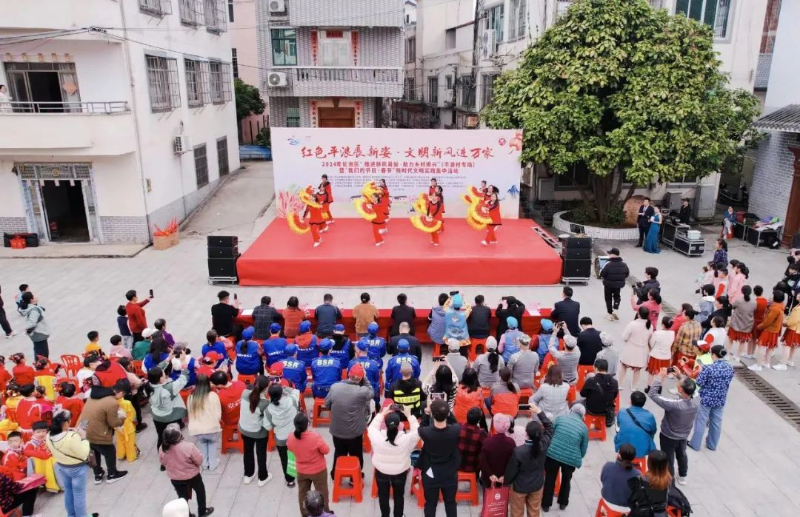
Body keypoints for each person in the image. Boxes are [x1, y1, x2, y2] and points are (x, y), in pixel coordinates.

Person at [648, 368, 699, 484]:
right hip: (684, 435)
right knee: (682, 454)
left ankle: (670, 480)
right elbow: (693, 389)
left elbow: (653, 394)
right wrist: (680, 376)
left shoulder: (674, 404)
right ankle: (682, 475)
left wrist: (660, 378)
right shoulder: (696, 400)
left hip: (668, 436)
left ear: (680, 389)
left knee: (669, 458)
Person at [368, 404, 419, 517]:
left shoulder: (377, 437)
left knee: (383, 496)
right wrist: (409, 415)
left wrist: (382, 413)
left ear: (385, 425)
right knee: (399, 496)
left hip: (381, 472)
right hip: (400, 472)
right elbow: (417, 432)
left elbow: (371, 428)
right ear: (399, 424)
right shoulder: (406, 439)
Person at [502, 406, 553, 517]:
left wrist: (506, 482)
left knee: (517, 513)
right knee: (534, 512)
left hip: (520, 487)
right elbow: (550, 427)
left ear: (526, 433)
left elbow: (511, 471)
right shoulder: (543, 445)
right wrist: (539, 412)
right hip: (537, 485)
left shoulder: (518, 451)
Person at [326, 363, 373, 477]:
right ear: (361, 378)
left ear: (348, 374)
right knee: (356, 455)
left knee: (339, 452)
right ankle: (355, 477)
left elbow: (327, 404)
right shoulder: (362, 391)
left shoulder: (335, 387)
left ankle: (335, 474)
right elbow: (371, 391)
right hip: (354, 433)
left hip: (337, 430)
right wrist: (365, 378)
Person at [159, 424, 214, 517]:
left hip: (175, 478)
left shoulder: (162, 448)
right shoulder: (188, 447)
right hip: (192, 476)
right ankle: (202, 512)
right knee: (200, 491)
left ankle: (186, 514)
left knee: (182, 497)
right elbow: (199, 460)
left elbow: (163, 462)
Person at [418, 399, 461, 517]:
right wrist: (447, 411)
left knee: (430, 504)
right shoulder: (456, 430)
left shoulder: (426, 432)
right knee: (451, 503)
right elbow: (454, 422)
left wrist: (427, 413)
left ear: (432, 414)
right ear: (447, 414)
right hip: (450, 472)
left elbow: (422, 426)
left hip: (431, 473)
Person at [80, 376, 127, 484]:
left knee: (92, 453)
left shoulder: (92, 397)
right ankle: (112, 474)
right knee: (109, 452)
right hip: (99, 432)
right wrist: (122, 419)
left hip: (85, 429)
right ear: (120, 393)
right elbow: (113, 423)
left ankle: (97, 474)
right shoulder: (112, 402)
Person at [542, 404, 588, 512]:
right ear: (582, 415)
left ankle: (546, 505)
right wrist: (577, 457)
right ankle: (563, 503)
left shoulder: (560, 418)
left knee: (550, 478)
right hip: (570, 459)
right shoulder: (584, 428)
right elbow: (583, 448)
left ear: (571, 410)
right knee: (566, 480)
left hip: (552, 454)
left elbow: (550, 433)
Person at [47, 409, 92, 517]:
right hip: (77, 468)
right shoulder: (71, 437)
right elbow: (84, 453)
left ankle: (71, 515)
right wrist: (83, 438)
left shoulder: (49, 435)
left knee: (68, 491)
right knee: (79, 494)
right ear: (66, 422)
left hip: (62, 466)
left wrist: (72, 432)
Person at [689, 345, 734, 451]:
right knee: (716, 422)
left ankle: (695, 444)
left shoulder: (709, 368)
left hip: (706, 399)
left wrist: (701, 371)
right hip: (720, 399)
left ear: (713, 354)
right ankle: (712, 444)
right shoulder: (730, 368)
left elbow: (699, 382)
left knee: (701, 421)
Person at [148, 350, 190, 460]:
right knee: (175, 439)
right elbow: (184, 379)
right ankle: (176, 459)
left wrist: (168, 359)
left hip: (157, 416)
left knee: (161, 438)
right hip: (171, 417)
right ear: (160, 379)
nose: (165, 375)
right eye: (163, 375)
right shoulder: (169, 388)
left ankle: (163, 459)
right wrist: (183, 362)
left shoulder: (148, 386)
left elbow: (155, 371)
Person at [287, 413, 332, 517]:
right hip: (318, 471)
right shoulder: (314, 437)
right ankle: (324, 512)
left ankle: (305, 514)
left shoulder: (291, 437)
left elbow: (290, 449)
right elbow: (326, 450)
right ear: (307, 424)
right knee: (322, 493)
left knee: (302, 493)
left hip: (301, 471)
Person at [238, 376, 272, 485]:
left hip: (244, 428)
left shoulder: (244, 393)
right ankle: (262, 477)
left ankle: (248, 474)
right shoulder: (265, 403)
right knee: (261, 454)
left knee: (248, 451)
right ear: (265, 389)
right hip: (258, 432)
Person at [264, 383, 300, 486]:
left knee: (285, 459)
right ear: (281, 393)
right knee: (296, 455)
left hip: (281, 439)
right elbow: (296, 391)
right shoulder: (292, 401)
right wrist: (284, 388)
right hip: (294, 436)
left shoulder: (268, 410)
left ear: (269, 395)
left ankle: (290, 480)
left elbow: (268, 427)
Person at [186, 375, 221, 471]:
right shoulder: (213, 396)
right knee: (212, 444)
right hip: (211, 427)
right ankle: (213, 464)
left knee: (202, 444)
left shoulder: (191, 397)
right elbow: (218, 414)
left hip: (197, 429)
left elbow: (189, 413)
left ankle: (204, 464)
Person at [749, 290, 786, 371]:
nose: (771, 297)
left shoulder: (774, 308)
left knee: (761, 347)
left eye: (772, 295)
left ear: (775, 297)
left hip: (768, 330)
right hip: (774, 330)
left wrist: (760, 326)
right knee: (770, 347)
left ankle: (758, 365)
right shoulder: (780, 306)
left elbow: (768, 321)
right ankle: (767, 363)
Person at [619, 307, 653, 391]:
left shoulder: (632, 324)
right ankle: (634, 386)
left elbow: (624, 337)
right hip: (642, 351)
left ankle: (620, 385)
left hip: (630, 349)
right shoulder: (650, 326)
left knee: (624, 366)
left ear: (638, 314)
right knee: (637, 369)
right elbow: (650, 340)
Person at [600, 443, 641, 513]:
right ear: (634, 458)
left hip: (607, 500)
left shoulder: (608, 466)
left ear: (619, 455)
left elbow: (602, 479)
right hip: (626, 507)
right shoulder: (637, 474)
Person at [614, 391, 657, 458]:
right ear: (644, 403)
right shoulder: (650, 416)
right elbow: (653, 431)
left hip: (623, 449)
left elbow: (618, 425)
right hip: (642, 450)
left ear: (631, 401)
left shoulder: (622, 411)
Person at [580, 358, 618, 427]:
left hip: (592, 409)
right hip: (606, 410)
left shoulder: (591, 380)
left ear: (596, 368)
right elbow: (614, 396)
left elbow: (582, 394)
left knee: (575, 404)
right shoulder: (615, 382)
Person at [600, 248, 630, 320]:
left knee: (608, 298)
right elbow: (627, 273)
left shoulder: (608, 264)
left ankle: (610, 313)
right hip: (618, 285)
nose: (609, 255)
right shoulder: (623, 264)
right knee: (617, 296)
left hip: (608, 284)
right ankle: (616, 308)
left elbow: (602, 273)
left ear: (613, 254)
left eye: (610, 254)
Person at [19, 292, 49, 359]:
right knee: (42, 353)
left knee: (38, 350)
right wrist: (27, 329)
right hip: (39, 333)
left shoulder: (29, 307)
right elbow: (32, 322)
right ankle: (41, 364)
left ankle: (39, 363)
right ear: (31, 300)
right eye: (34, 296)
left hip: (36, 334)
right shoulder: (34, 310)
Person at [647, 317, 675, 390]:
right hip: (666, 356)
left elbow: (651, 343)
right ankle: (659, 388)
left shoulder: (657, 333)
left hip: (656, 355)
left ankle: (649, 387)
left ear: (662, 324)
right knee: (663, 373)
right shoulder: (672, 333)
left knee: (651, 372)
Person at [729, 285, 755, 361]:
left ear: (742, 291)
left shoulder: (739, 301)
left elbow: (732, 306)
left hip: (736, 324)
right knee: (742, 342)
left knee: (730, 339)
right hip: (747, 325)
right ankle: (738, 356)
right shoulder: (754, 302)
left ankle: (727, 355)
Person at [458, 407, 487, 473]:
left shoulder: (458, 427)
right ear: (479, 420)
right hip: (473, 467)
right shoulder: (482, 433)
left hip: (457, 465)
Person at [776, 291, 800, 369]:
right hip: (798, 329)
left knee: (787, 346)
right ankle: (790, 360)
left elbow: (793, 320)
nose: (797, 294)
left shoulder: (798, 309)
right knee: (794, 346)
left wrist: (786, 322)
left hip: (793, 329)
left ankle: (783, 363)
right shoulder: (798, 306)